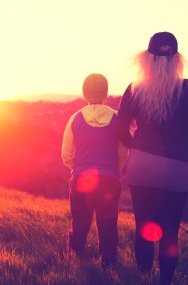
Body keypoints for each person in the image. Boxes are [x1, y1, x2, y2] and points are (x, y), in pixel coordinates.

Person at [116, 32, 188, 284]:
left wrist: (136, 147)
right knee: (170, 232)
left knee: (144, 227)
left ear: (146, 58)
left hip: (142, 164)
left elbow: (120, 128)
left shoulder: (134, 89)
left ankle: (144, 278)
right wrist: (187, 156)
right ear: (177, 59)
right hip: (178, 166)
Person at [61, 73, 127, 269]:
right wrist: (115, 170)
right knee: (107, 223)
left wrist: (77, 168)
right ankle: (108, 263)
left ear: (84, 92)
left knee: (80, 222)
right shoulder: (117, 118)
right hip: (110, 179)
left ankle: (74, 258)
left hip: (81, 178)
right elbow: (124, 152)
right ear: (106, 93)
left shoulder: (75, 118)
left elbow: (66, 154)